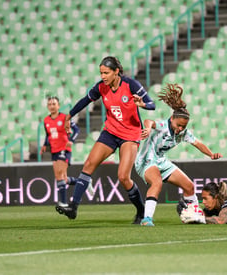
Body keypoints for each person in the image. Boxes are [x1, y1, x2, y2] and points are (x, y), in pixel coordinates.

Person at [57, 56, 156, 223]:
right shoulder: (101, 87)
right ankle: (73, 207)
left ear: (116, 72)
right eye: (101, 73)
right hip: (110, 132)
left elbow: (152, 104)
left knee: (124, 177)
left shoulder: (131, 85)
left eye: (106, 73)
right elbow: (85, 101)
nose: (103, 76)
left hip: (130, 135)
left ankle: (141, 211)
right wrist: (69, 115)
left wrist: (142, 104)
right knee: (89, 164)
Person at [135, 83, 222, 226]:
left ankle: (193, 214)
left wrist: (211, 154)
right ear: (171, 119)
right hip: (146, 160)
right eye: (178, 125)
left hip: (161, 161)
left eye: (183, 126)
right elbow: (149, 121)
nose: (180, 129)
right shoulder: (163, 126)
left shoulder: (183, 133)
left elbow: (198, 143)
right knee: (156, 183)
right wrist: (149, 128)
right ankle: (147, 219)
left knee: (189, 186)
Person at [40, 96, 80, 209]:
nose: (52, 106)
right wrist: (44, 145)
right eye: (50, 104)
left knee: (59, 174)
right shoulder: (46, 120)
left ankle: (63, 202)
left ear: (58, 105)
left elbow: (77, 130)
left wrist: (71, 140)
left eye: (54, 104)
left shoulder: (64, 118)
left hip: (64, 149)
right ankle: (84, 183)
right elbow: (48, 135)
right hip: (54, 150)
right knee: (64, 179)